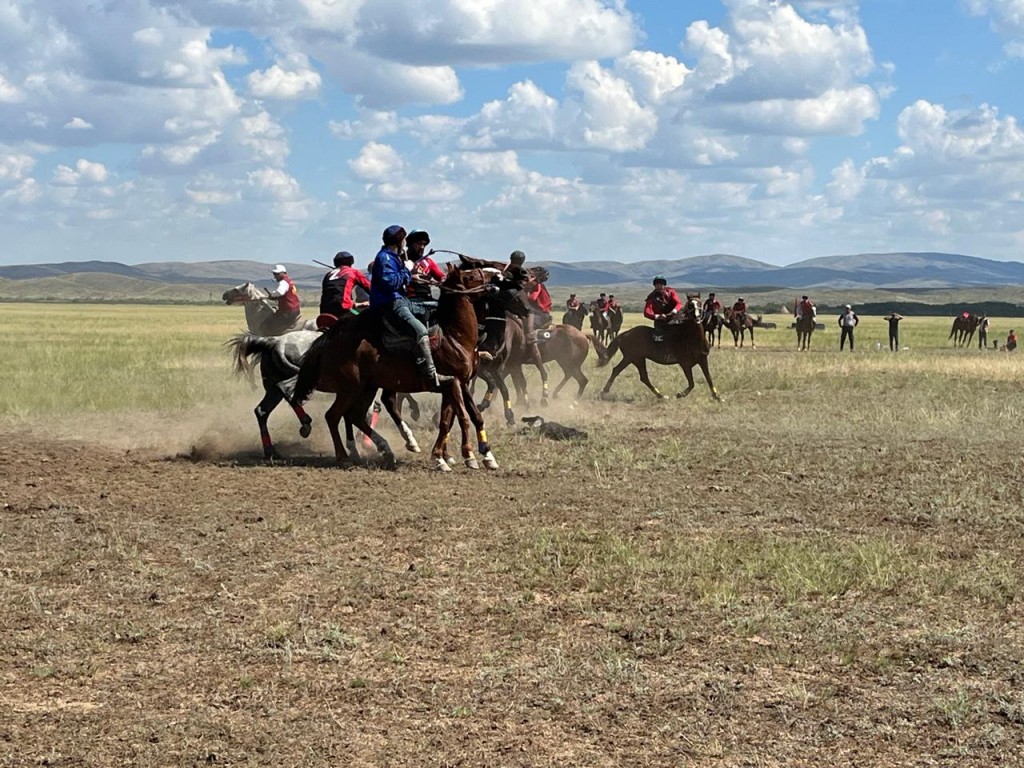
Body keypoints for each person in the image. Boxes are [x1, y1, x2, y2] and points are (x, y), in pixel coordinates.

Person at [369, 225, 448, 390]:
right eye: (404, 240)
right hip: (391, 304)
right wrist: (407, 271)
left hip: (402, 301)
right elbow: (391, 283)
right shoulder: (385, 258)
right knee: (420, 330)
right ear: (399, 241)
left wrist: (410, 274)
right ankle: (431, 374)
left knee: (439, 309)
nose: (405, 243)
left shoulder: (393, 257)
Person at [406, 230, 444, 321]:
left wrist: (443, 280)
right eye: (419, 244)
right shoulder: (400, 261)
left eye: (424, 245)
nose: (422, 247)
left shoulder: (428, 262)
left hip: (427, 299)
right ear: (411, 244)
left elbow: (441, 276)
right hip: (408, 300)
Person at [319, 251, 370, 319]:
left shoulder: (328, 274)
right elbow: (371, 289)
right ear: (351, 261)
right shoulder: (353, 272)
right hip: (343, 309)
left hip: (324, 311)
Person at [265, 264, 301, 334]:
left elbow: (279, 292)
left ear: (283, 273)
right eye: (274, 274)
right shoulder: (289, 281)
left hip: (287, 311)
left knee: (268, 323)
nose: (275, 276)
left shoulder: (283, 282)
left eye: (277, 274)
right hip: (295, 309)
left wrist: (272, 295)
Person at [644, 275, 681, 341]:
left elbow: (678, 303)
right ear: (654, 286)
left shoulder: (671, 292)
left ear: (664, 285)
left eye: (661, 284)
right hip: (661, 322)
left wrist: (674, 311)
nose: (659, 286)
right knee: (658, 339)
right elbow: (646, 312)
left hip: (674, 317)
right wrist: (658, 316)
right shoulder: (651, 298)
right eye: (657, 284)